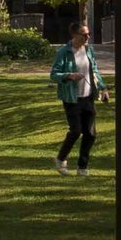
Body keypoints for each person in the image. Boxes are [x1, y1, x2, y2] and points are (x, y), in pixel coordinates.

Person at [52, 23, 101, 173]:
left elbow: (95, 71)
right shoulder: (64, 52)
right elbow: (54, 74)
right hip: (72, 98)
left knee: (90, 133)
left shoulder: (88, 50)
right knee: (76, 131)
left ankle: (82, 166)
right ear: (74, 35)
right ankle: (61, 159)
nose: (88, 37)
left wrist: (103, 88)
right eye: (84, 34)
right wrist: (69, 75)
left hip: (88, 97)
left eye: (89, 34)